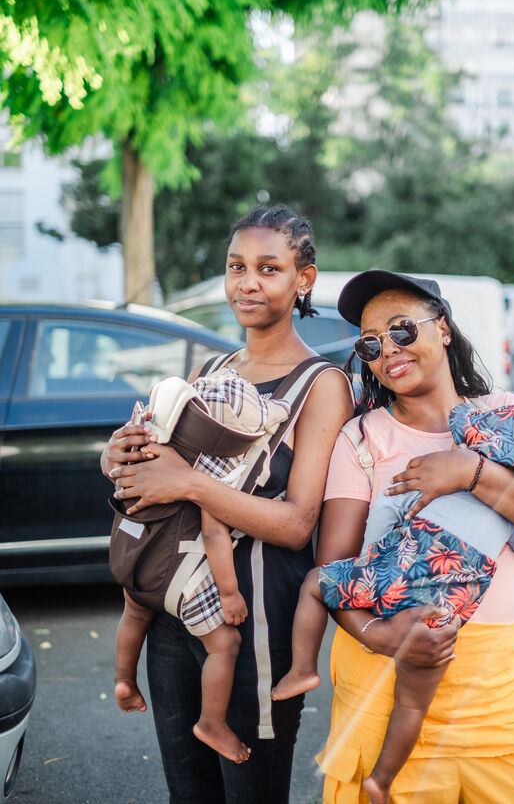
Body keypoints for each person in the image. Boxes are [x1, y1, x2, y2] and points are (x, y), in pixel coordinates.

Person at [101, 205, 357, 804]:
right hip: (174, 607)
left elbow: (297, 525)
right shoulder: (210, 370)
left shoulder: (321, 386)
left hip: (253, 624)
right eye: (237, 266)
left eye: (269, 268)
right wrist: (117, 458)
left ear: (304, 279)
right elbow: (153, 472)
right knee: (187, 792)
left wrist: (189, 485)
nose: (248, 283)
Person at [312, 270, 514, 804]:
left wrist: (471, 473)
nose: (388, 349)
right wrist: (380, 636)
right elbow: (332, 569)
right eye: (370, 344)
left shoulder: (504, 415)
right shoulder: (360, 439)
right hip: (383, 679)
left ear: (445, 329)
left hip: (492, 691)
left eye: (402, 329)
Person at [272, 389, 514, 803]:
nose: (390, 355)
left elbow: (389, 508)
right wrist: (506, 504)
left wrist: (376, 561)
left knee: (315, 583)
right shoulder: (492, 493)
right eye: (371, 351)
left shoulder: (440, 470)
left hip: (397, 586)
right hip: (444, 611)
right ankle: (381, 779)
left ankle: (303, 668)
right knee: (411, 705)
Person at [113, 368, 292, 766]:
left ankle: (124, 679)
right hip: (181, 578)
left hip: (135, 558)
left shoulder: (154, 438)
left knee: (134, 615)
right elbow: (213, 534)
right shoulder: (217, 468)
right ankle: (212, 723)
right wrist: (229, 593)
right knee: (224, 646)